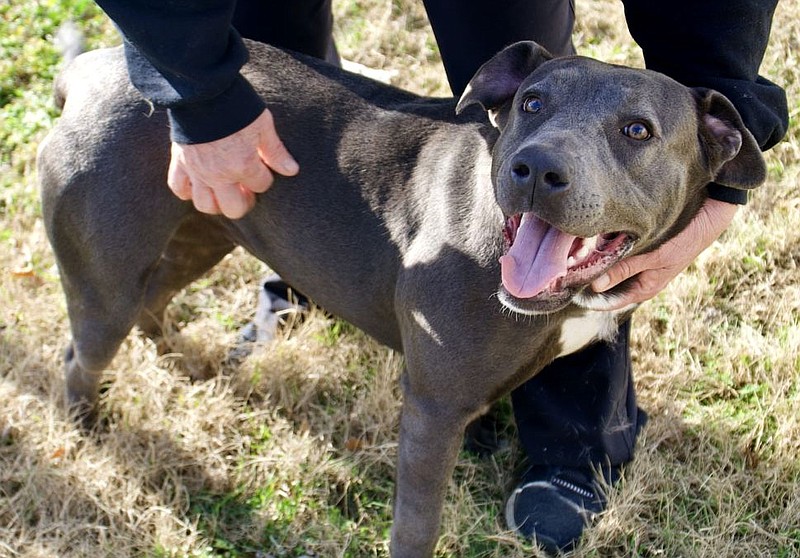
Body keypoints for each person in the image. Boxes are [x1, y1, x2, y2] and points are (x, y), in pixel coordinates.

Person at [93, 0, 788, 553]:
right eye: (536, 108)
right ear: (500, 102)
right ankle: (93, 380)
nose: (546, 161)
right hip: (167, 114)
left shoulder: (698, 146)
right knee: (265, 23)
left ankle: (569, 445)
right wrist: (200, 97)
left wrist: (721, 152)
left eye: (634, 132)